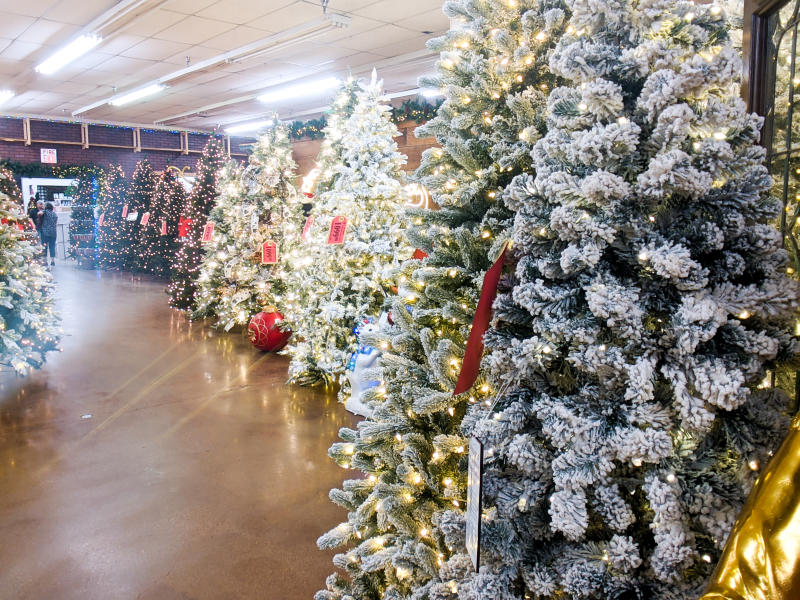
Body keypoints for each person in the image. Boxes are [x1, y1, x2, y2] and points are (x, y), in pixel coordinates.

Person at [40, 202, 58, 267]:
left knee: (45, 247)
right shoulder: (55, 214)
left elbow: (39, 213)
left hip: (45, 232)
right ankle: (53, 261)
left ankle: (45, 261)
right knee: (52, 246)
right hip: (53, 233)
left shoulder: (45, 212)